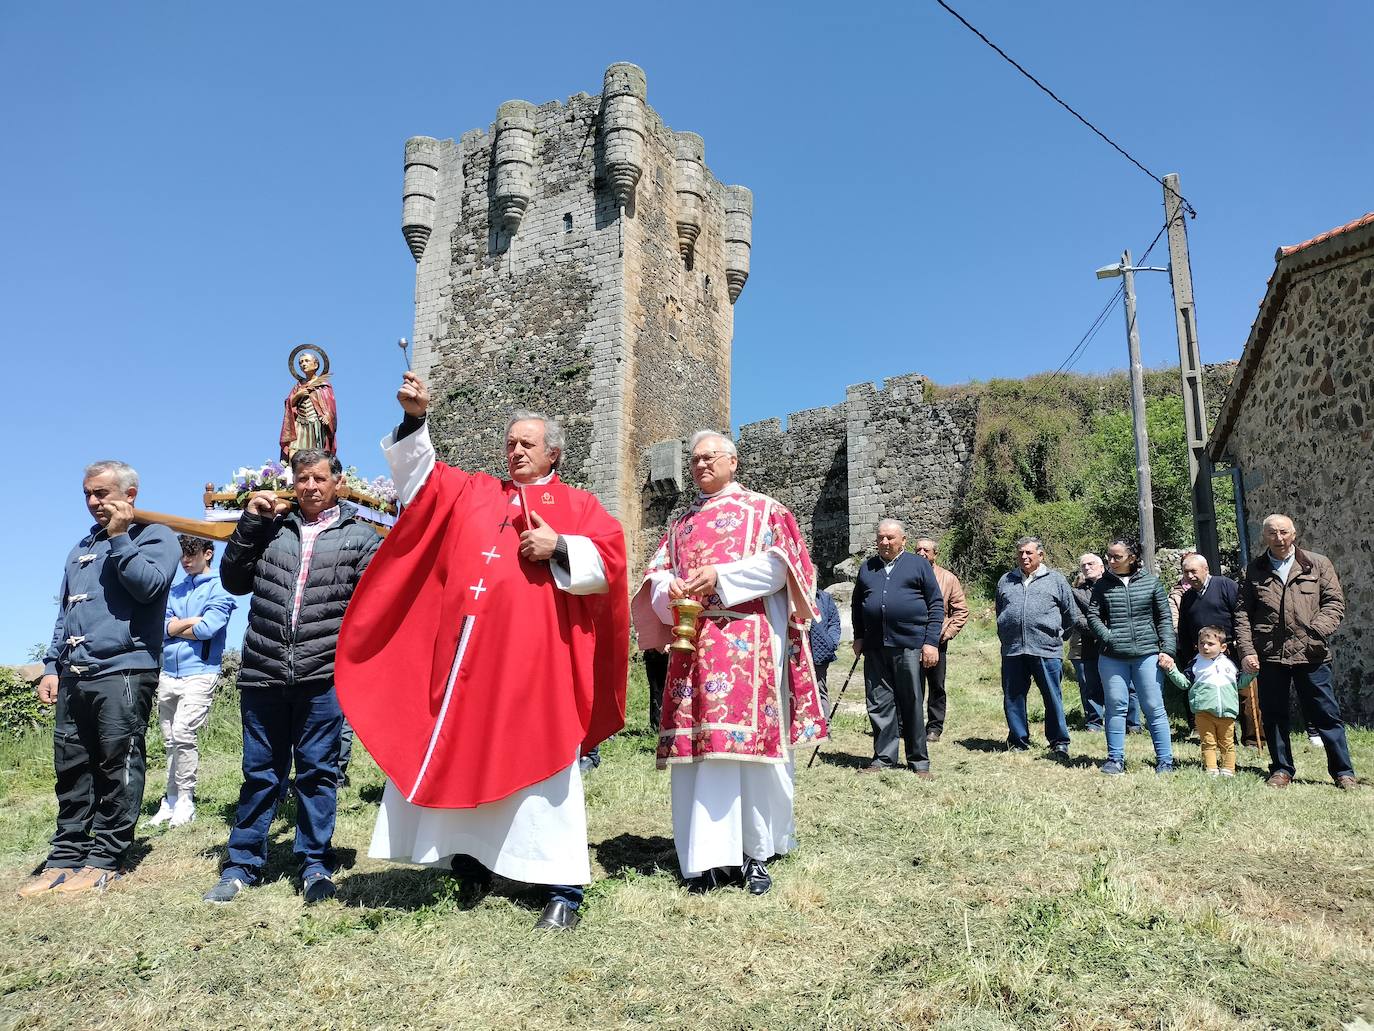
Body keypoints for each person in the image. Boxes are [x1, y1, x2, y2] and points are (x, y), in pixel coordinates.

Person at [336, 374, 628, 931]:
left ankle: (561, 885)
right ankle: (470, 862)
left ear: (553, 453)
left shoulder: (577, 504)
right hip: (465, 662)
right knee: (465, 753)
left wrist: (561, 545)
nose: (516, 451)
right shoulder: (474, 491)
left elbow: (612, 562)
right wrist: (416, 421)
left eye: (528, 444)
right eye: (511, 443)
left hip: (533, 666)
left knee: (542, 765)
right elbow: (420, 483)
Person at [632, 431, 828, 896]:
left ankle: (754, 853)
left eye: (709, 457)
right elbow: (656, 573)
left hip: (748, 640)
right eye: (694, 459)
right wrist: (669, 591)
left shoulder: (767, 511)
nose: (700, 465)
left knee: (748, 753)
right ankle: (702, 859)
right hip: (691, 644)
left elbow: (785, 568)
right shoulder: (680, 525)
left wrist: (722, 574)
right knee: (697, 750)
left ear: (733, 461)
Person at [203, 449, 382, 905]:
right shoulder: (270, 531)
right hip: (264, 670)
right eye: (303, 478)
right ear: (293, 483)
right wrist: (250, 523)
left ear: (337, 483)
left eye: (320, 478)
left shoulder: (360, 538)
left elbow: (373, 605)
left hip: (322, 673)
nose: (311, 486)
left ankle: (315, 863)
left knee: (318, 773)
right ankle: (242, 863)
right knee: (261, 773)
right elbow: (233, 581)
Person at [19, 461, 179, 898]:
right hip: (75, 673)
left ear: (130, 495)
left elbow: (148, 587)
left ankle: (106, 856)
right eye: (88, 494)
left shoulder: (157, 537)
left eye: (103, 493)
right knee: (71, 766)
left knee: (117, 762)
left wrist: (119, 538)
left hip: (125, 669)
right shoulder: (79, 548)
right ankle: (67, 855)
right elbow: (65, 612)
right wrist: (52, 665)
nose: (94, 502)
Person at [1235, 514, 1356, 791]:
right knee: (1274, 715)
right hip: (1270, 654)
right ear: (1263, 537)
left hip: (1311, 654)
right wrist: (1246, 651)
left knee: (1326, 714)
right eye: (1272, 534)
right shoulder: (1253, 571)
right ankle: (1280, 769)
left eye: (1283, 532)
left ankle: (1343, 771)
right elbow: (1242, 615)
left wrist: (1315, 631)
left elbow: (1334, 603)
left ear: (1294, 533)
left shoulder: (1317, 564)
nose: (1278, 539)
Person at [148, 536, 236, 829]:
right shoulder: (175, 589)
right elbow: (159, 629)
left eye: (191, 553)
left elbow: (208, 629)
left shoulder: (221, 587)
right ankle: (170, 800)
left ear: (208, 553)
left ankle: (186, 799)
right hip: (168, 674)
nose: (185, 560)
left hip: (201, 671)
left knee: (184, 733)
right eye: (182, 555)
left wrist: (176, 627)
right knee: (170, 740)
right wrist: (187, 622)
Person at [852, 521, 944, 777]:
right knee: (878, 703)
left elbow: (936, 604)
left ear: (903, 540)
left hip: (909, 645)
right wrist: (859, 636)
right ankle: (883, 758)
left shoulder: (919, 565)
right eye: (880, 537)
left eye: (890, 538)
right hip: (875, 647)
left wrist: (931, 642)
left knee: (912, 702)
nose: (884, 542)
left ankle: (919, 762)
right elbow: (857, 605)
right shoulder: (868, 567)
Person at [1085, 537, 1177, 775]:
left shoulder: (1151, 583)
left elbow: (1164, 619)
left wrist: (1167, 650)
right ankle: (1115, 759)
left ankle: (1165, 761)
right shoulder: (1102, 585)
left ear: (1132, 558)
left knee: (1154, 706)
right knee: (1116, 706)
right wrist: (1109, 638)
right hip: (1112, 656)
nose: (1111, 561)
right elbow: (1093, 616)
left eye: (1117, 557)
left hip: (1147, 654)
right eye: (1109, 556)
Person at [995, 536, 1075, 758]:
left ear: (1041, 555)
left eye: (1029, 553)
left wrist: (1056, 636)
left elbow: (1070, 615)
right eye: (1020, 553)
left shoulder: (1056, 580)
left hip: (1046, 650)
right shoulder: (1006, 580)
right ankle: (1018, 740)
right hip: (1013, 650)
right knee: (1013, 696)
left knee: (1052, 696)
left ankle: (1059, 741)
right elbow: (1000, 611)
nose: (1024, 557)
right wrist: (1005, 635)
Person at [1175, 553, 1252, 745]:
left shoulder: (1225, 586)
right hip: (1203, 655)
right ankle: (1224, 737)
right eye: (1186, 572)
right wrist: (1187, 656)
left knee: (1244, 694)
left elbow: (1242, 616)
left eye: (1194, 571)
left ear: (1206, 569)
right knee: (1212, 694)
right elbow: (1184, 629)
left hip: (1231, 651)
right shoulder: (1187, 598)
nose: (1190, 576)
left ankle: (1251, 739)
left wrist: (1245, 648)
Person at [913, 537, 967, 741]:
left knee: (936, 686)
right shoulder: (907, 574)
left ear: (935, 554)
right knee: (911, 685)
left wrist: (944, 634)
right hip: (910, 641)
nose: (921, 553)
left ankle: (934, 727)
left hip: (936, 642)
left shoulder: (948, 578)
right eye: (918, 549)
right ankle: (910, 725)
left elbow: (961, 611)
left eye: (926, 550)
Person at [1187, 626, 1240, 777]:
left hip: (1227, 712)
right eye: (1202, 643)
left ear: (1223, 647)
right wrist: (1171, 670)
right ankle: (1211, 769)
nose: (1205, 647)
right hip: (1204, 712)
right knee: (1208, 742)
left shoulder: (1230, 664)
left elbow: (1240, 683)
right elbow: (1184, 683)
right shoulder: (1195, 664)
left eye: (1210, 644)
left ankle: (1228, 769)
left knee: (1227, 743)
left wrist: (1251, 674)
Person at [1069, 553, 1106, 732]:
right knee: (1090, 685)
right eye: (1083, 565)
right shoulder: (1076, 592)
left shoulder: (1113, 587)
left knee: (1122, 686)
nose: (1087, 568)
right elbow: (1077, 619)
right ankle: (1094, 722)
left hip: (1115, 643)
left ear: (1102, 567)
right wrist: (1102, 631)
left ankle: (1130, 724)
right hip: (1086, 645)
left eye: (1091, 564)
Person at [280, 348, 337, 461]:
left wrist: (327, 417)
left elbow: (330, 407)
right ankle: (291, 474)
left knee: (315, 453)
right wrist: (298, 395)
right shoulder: (299, 386)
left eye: (306, 361)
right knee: (293, 451)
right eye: (301, 362)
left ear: (315, 365)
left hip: (316, 422)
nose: (303, 364)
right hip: (299, 422)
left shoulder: (323, 385)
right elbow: (288, 403)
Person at [809, 586, 842, 711]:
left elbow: (834, 622)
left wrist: (831, 642)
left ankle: (824, 728)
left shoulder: (824, 597)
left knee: (819, 689)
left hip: (819, 652)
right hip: (796, 652)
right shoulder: (792, 595)